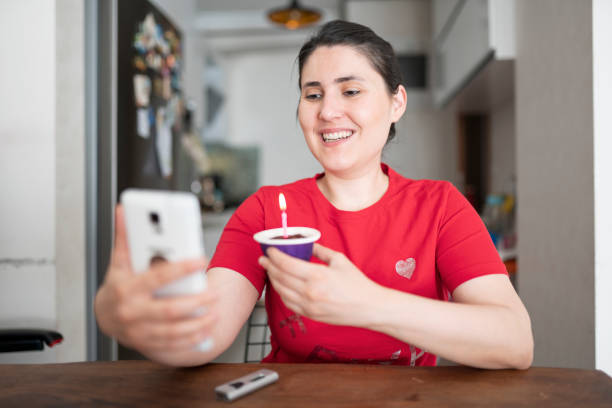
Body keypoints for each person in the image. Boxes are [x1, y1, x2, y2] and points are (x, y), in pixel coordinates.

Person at [95, 20, 533, 369]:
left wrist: (370, 304)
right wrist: (136, 322)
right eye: (313, 94)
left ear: (396, 102)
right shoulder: (266, 210)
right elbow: (203, 336)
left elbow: (514, 343)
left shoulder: (440, 207)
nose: (327, 111)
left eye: (351, 90)